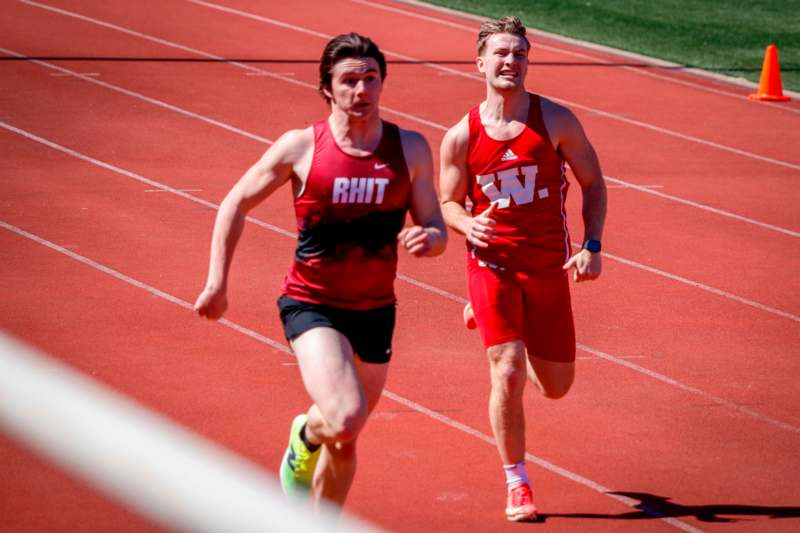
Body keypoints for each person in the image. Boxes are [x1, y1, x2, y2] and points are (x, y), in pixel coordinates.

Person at [194, 32, 446, 510]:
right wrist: (217, 283)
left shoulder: (409, 148)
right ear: (327, 88)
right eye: (349, 80)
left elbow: (434, 225)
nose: (361, 90)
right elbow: (235, 204)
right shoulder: (301, 147)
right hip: (312, 305)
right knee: (346, 417)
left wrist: (430, 238)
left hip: (376, 310)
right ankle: (305, 437)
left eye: (370, 79)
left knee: (346, 438)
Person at [439, 16, 607, 522]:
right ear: (481, 63)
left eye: (519, 53)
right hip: (491, 263)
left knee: (556, 386)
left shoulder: (555, 120)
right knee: (507, 370)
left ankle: (498, 320)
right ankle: (518, 483)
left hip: (549, 267)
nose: (511, 61)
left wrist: (593, 244)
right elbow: (447, 201)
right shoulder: (461, 136)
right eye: (501, 53)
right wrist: (468, 226)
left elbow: (594, 183)